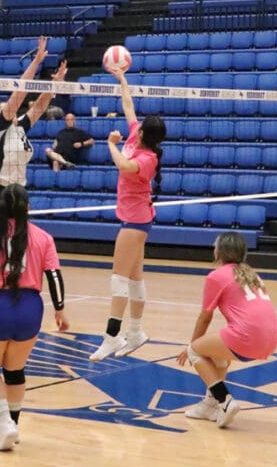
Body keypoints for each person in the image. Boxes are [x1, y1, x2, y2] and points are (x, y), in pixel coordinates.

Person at [0, 184, 69, 451]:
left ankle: (5, 423)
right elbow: (54, 277)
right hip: (30, 307)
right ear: (28, 208)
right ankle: (13, 425)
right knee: (14, 370)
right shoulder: (43, 237)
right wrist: (60, 309)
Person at [89, 67, 165, 361]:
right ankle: (135, 333)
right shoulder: (135, 135)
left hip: (136, 220)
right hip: (136, 217)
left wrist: (110, 144)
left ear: (146, 133)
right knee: (134, 278)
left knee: (118, 278)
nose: (137, 125)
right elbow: (128, 105)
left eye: (141, 126)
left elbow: (124, 166)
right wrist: (122, 79)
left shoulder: (148, 158)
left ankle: (112, 337)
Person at [176, 232, 277, 428]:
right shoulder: (252, 274)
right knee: (217, 354)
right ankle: (210, 404)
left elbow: (205, 317)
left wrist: (191, 346)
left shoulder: (217, 276)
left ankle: (224, 400)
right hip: (272, 338)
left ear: (219, 252)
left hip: (248, 337)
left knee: (195, 350)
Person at [0, 36, 67, 231]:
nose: (10, 110)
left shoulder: (19, 127)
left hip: (17, 192)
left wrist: (55, 85)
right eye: (4, 109)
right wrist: (36, 62)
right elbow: (19, 95)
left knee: (17, 248)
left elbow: (41, 106)